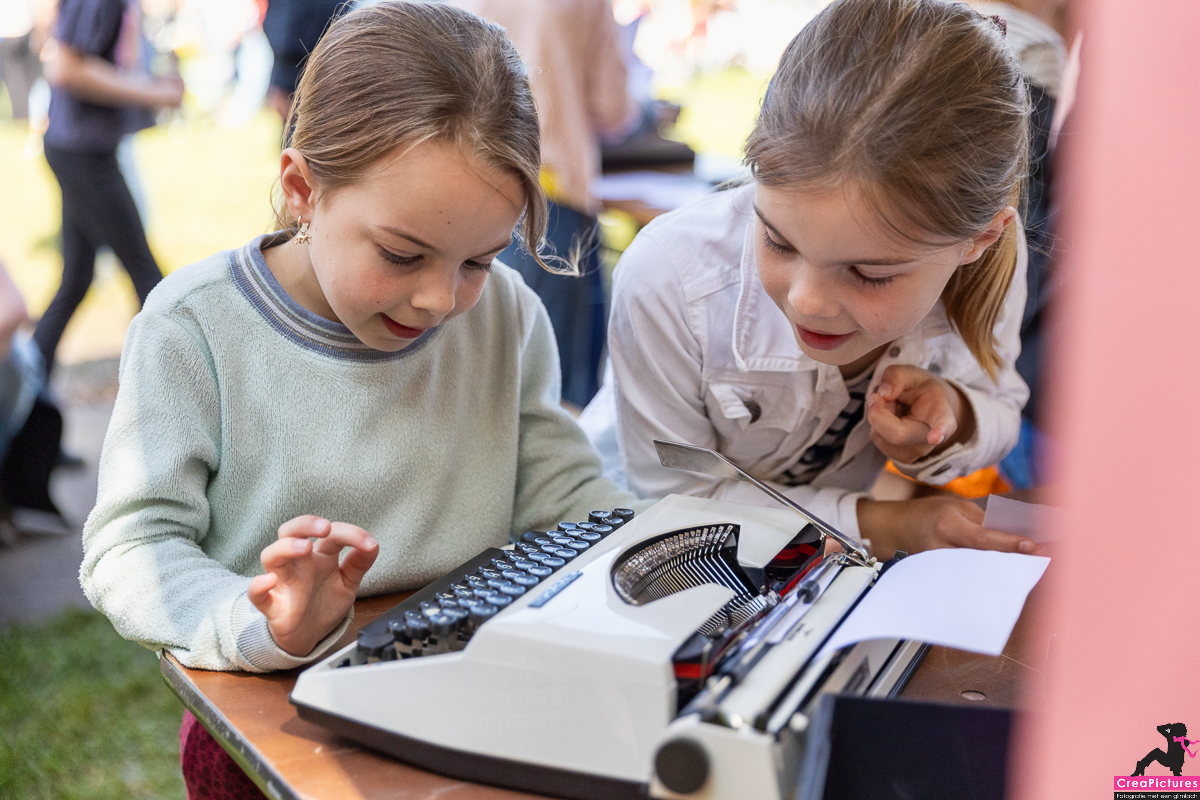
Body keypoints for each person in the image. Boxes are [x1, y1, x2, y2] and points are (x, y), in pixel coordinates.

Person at [78, 3, 640, 795]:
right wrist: (258, 618)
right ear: (302, 189)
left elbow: (561, 489)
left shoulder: (507, 313)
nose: (440, 300)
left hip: (472, 700)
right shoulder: (191, 328)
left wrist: (673, 545)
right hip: (274, 725)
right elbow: (131, 547)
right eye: (403, 255)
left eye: (478, 260)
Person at [585, 0, 1039, 560]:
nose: (807, 302)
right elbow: (675, 501)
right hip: (629, 551)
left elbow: (1001, 404)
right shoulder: (669, 279)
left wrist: (954, 415)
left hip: (808, 567)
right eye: (778, 241)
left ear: (979, 241)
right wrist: (884, 524)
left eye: (870, 274)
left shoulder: (994, 258)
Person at [447, 0, 636, 408]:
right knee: (558, 391)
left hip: (465, 187)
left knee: (477, 367)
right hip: (551, 193)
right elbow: (613, 107)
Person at [36, 0, 183, 373]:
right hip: (82, 154)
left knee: (76, 280)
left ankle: (25, 386)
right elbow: (66, 67)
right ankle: (166, 385)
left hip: (87, 148)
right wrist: (153, 93)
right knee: (149, 278)